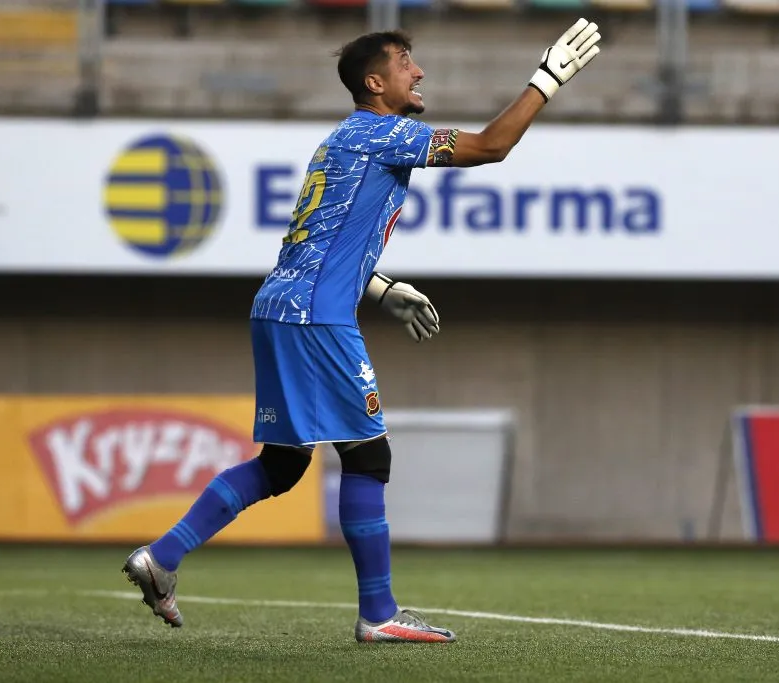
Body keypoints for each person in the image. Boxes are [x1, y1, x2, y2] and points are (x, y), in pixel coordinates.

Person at [123, 17, 601, 643]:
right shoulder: (383, 133)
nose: (419, 71)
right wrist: (547, 79)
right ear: (375, 83)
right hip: (316, 315)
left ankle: (161, 558)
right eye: (406, 63)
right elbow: (490, 146)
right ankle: (378, 613)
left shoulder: (340, 142)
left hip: (279, 306)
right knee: (368, 455)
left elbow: (315, 239)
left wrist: (377, 287)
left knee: (283, 465)